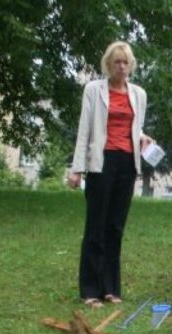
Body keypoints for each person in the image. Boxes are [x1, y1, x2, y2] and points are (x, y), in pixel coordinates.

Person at [68, 40, 153, 308]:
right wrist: (76, 169)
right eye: (117, 62)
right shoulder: (94, 90)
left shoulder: (138, 94)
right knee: (96, 226)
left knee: (115, 228)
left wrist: (141, 136)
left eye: (125, 62)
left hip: (127, 163)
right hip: (101, 163)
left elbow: (133, 126)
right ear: (108, 64)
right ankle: (90, 291)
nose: (121, 66)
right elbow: (85, 130)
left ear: (131, 65)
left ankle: (110, 288)